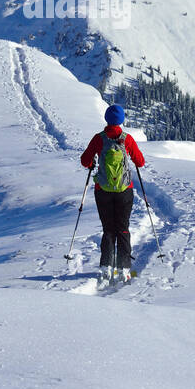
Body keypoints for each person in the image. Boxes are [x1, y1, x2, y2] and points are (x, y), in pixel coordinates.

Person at [79, 104, 146, 283]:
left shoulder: (98, 139)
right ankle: (123, 268)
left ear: (106, 118)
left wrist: (93, 163)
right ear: (122, 120)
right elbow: (140, 161)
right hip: (125, 190)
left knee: (108, 229)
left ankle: (105, 267)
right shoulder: (127, 139)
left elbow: (85, 161)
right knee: (123, 228)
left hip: (103, 191)